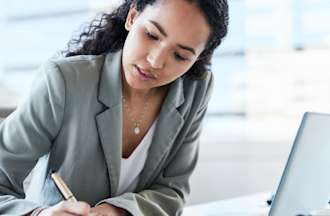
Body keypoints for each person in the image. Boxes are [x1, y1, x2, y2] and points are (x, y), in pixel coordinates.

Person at [0, 0, 228, 215]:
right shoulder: (63, 82)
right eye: (151, 35)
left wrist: (119, 210)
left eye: (180, 56)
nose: (155, 62)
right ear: (132, 17)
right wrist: (41, 213)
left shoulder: (195, 89)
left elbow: (172, 190)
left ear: (198, 59)